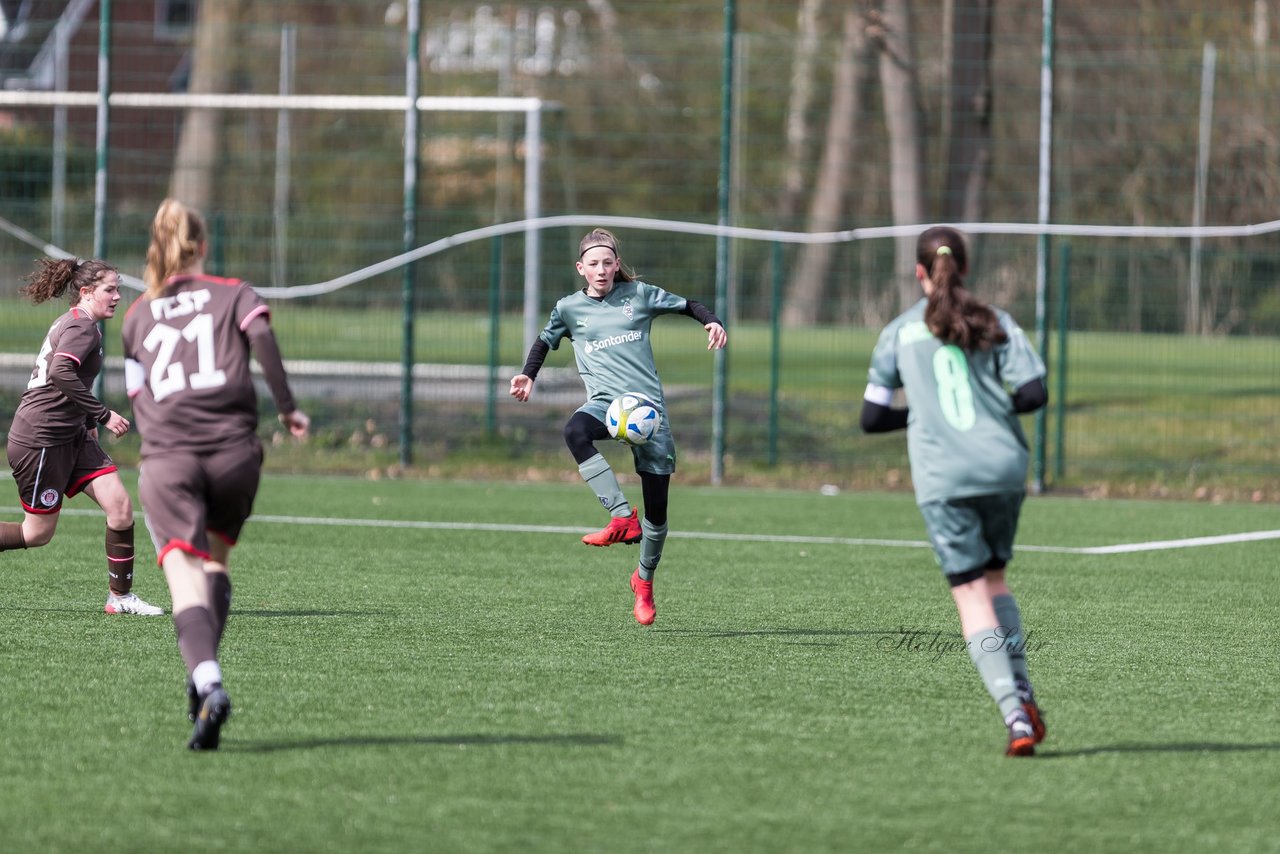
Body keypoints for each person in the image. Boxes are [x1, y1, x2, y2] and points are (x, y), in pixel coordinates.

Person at [122, 198, 310, 750]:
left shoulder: (136, 315)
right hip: (234, 455)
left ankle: (208, 678)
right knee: (216, 564)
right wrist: (288, 409)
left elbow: (138, 393)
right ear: (202, 245)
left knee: (184, 576)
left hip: (169, 457)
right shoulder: (235, 292)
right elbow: (264, 344)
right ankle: (200, 678)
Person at [860, 226, 1049, 757]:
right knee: (996, 581)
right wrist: (990, 414)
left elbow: (872, 418)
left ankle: (1014, 712)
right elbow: (1034, 392)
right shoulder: (994, 319)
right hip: (1005, 467)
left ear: (919, 272)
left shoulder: (900, 331)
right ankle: (1023, 688)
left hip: (946, 476)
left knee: (970, 595)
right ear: (964, 269)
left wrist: (924, 413)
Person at [510, 228, 727, 625]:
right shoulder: (569, 308)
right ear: (581, 268)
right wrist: (528, 375)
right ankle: (621, 517)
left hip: (649, 415)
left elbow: (689, 305)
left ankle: (643, 581)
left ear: (616, 265)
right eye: (593, 264)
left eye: (607, 262)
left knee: (658, 517)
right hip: (606, 407)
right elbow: (544, 341)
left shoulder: (639, 297)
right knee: (575, 432)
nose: (601, 269)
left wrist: (710, 322)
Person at [1, 257, 164, 617]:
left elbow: (67, 380)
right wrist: (103, 414)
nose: (118, 296)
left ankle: (120, 599)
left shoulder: (81, 323)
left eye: (118, 288)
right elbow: (60, 372)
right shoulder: (82, 328)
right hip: (41, 439)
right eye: (110, 289)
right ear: (87, 292)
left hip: (72, 435)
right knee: (36, 534)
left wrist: (87, 424)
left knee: (120, 507)